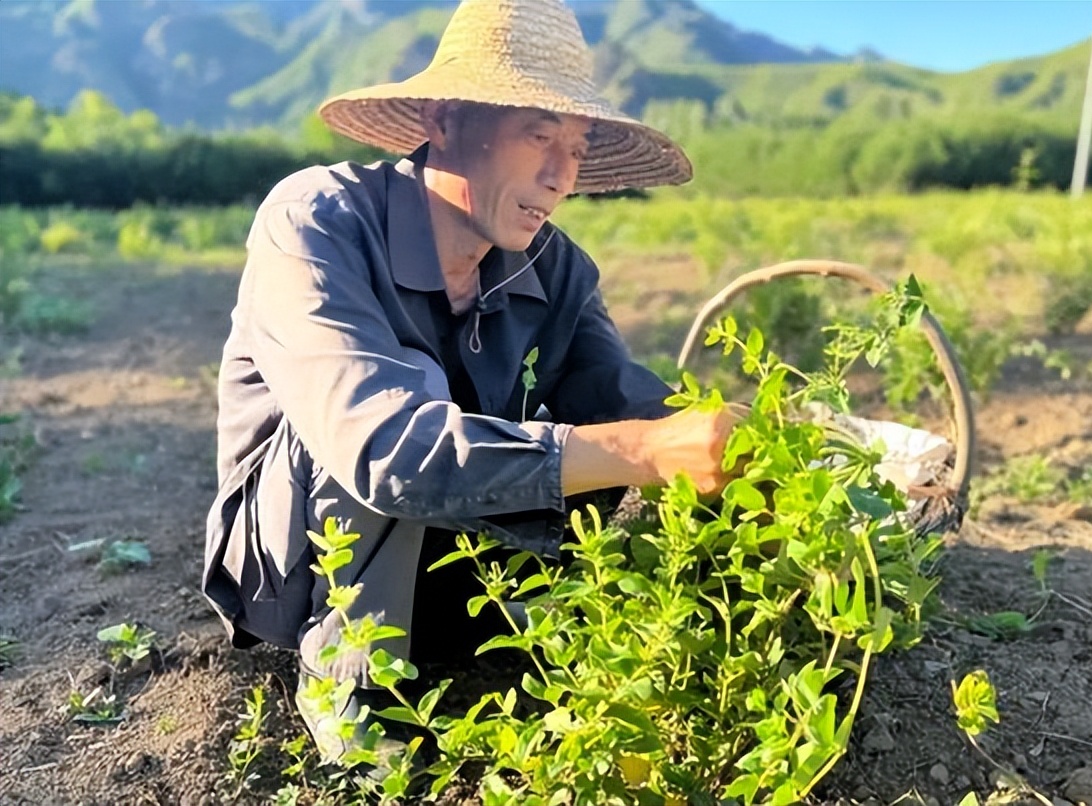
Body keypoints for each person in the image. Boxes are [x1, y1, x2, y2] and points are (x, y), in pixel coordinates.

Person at [202, 0, 735, 763]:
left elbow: (627, 398)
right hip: (303, 567)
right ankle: (356, 699)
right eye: (538, 136)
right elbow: (384, 448)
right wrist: (642, 449)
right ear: (445, 119)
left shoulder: (558, 267)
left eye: (577, 149)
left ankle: (492, 641)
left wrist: (756, 444)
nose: (560, 176)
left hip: (462, 562)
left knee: (622, 436)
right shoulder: (316, 219)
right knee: (409, 399)